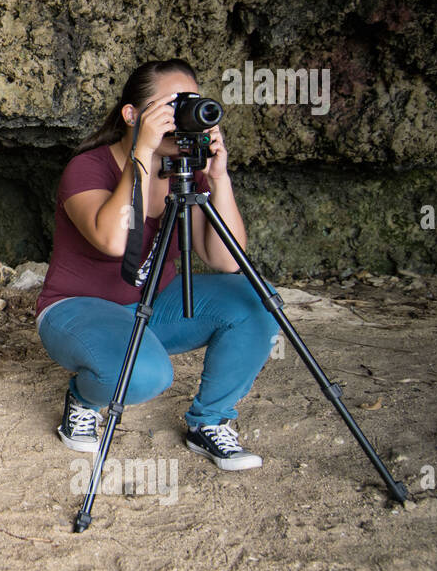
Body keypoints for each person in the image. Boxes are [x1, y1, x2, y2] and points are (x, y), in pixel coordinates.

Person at [36, 58, 279, 471]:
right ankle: (85, 396)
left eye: (191, 104)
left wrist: (219, 177)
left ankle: (209, 422)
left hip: (153, 304)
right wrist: (142, 155)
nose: (181, 117)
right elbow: (114, 241)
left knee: (257, 301)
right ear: (133, 115)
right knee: (146, 376)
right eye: (171, 106)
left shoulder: (187, 172)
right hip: (78, 309)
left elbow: (225, 260)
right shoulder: (88, 168)